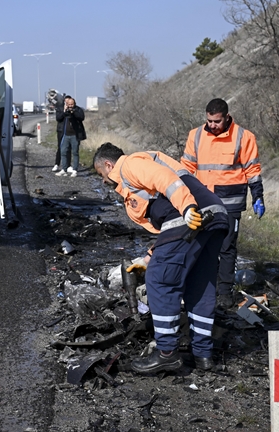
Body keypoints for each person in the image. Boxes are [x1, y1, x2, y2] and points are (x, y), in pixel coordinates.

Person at [93, 143, 229, 373]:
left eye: (101, 174)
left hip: (190, 216)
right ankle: (203, 354)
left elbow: (164, 179)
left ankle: (167, 353)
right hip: (215, 215)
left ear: (109, 164)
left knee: (160, 279)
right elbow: (170, 235)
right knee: (199, 285)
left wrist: (187, 208)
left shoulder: (129, 166)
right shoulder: (143, 169)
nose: (104, 181)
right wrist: (147, 259)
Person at [181, 98, 265, 309]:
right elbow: (186, 168)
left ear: (227, 117)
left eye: (216, 121)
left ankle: (225, 292)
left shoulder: (244, 137)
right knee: (201, 246)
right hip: (203, 202)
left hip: (231, 203)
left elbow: (252, 170)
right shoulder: (196, 135)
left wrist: (258, 196)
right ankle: (202, 287)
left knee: (227, 248)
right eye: (209, 120)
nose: (212, 125)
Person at [55, 96, 86, 177]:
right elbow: (58, 118)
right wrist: (65, 111)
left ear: (74, 104)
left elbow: (81, 117)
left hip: (75, 135)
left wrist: (73, 112)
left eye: (72, 104)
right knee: (63, 151)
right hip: (65, 134)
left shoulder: (78, 109)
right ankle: (64, 169)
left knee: (75, 152)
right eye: (69, 104)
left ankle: (75, 170)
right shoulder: (65, 110)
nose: (70, 106)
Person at [47, 89, 65, 172]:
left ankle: (67, 166)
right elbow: (58, 117)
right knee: (60, 148)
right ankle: (57, 164)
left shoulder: (72, 108)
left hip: (68, 130)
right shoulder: (60, 107)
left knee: (68, 148)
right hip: (61, 129)